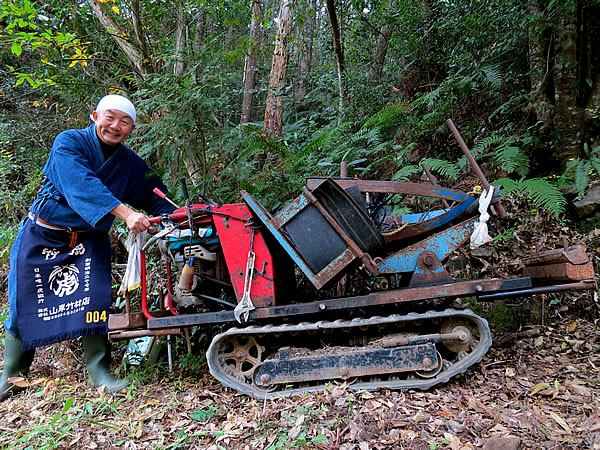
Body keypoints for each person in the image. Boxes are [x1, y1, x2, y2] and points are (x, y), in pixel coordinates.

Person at [1, 94, 173, 400]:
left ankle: (100, 373)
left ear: (132, 128)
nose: (115, 126)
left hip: (89, 240)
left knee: (94, 302)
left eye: (125, 121)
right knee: (21, 301)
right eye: (110, 117)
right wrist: (127, 213)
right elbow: (82, 185)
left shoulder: (132, 165)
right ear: (95, 116)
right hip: (44, 235)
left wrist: (180, 215)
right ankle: (13, 375)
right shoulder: (68, 142)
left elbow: (156, 194)